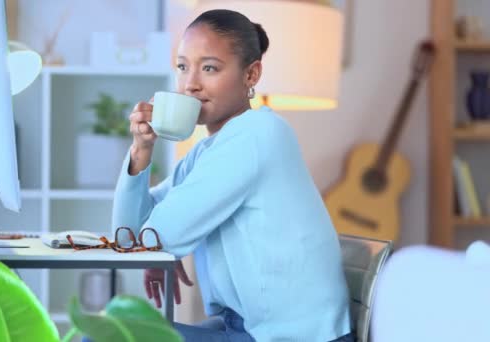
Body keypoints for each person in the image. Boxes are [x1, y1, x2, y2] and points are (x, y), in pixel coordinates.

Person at [112, 8, 353, 342]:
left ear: (251, 75)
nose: (190, 84)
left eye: (209, 68)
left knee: (107, 335)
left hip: (291, 337)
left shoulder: (257, 135)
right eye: (183, 67)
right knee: (112, 329)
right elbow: (128, 238)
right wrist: (141, 150)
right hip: (243, 328)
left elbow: (153, 238)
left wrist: (160, 246)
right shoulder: (209, 150)